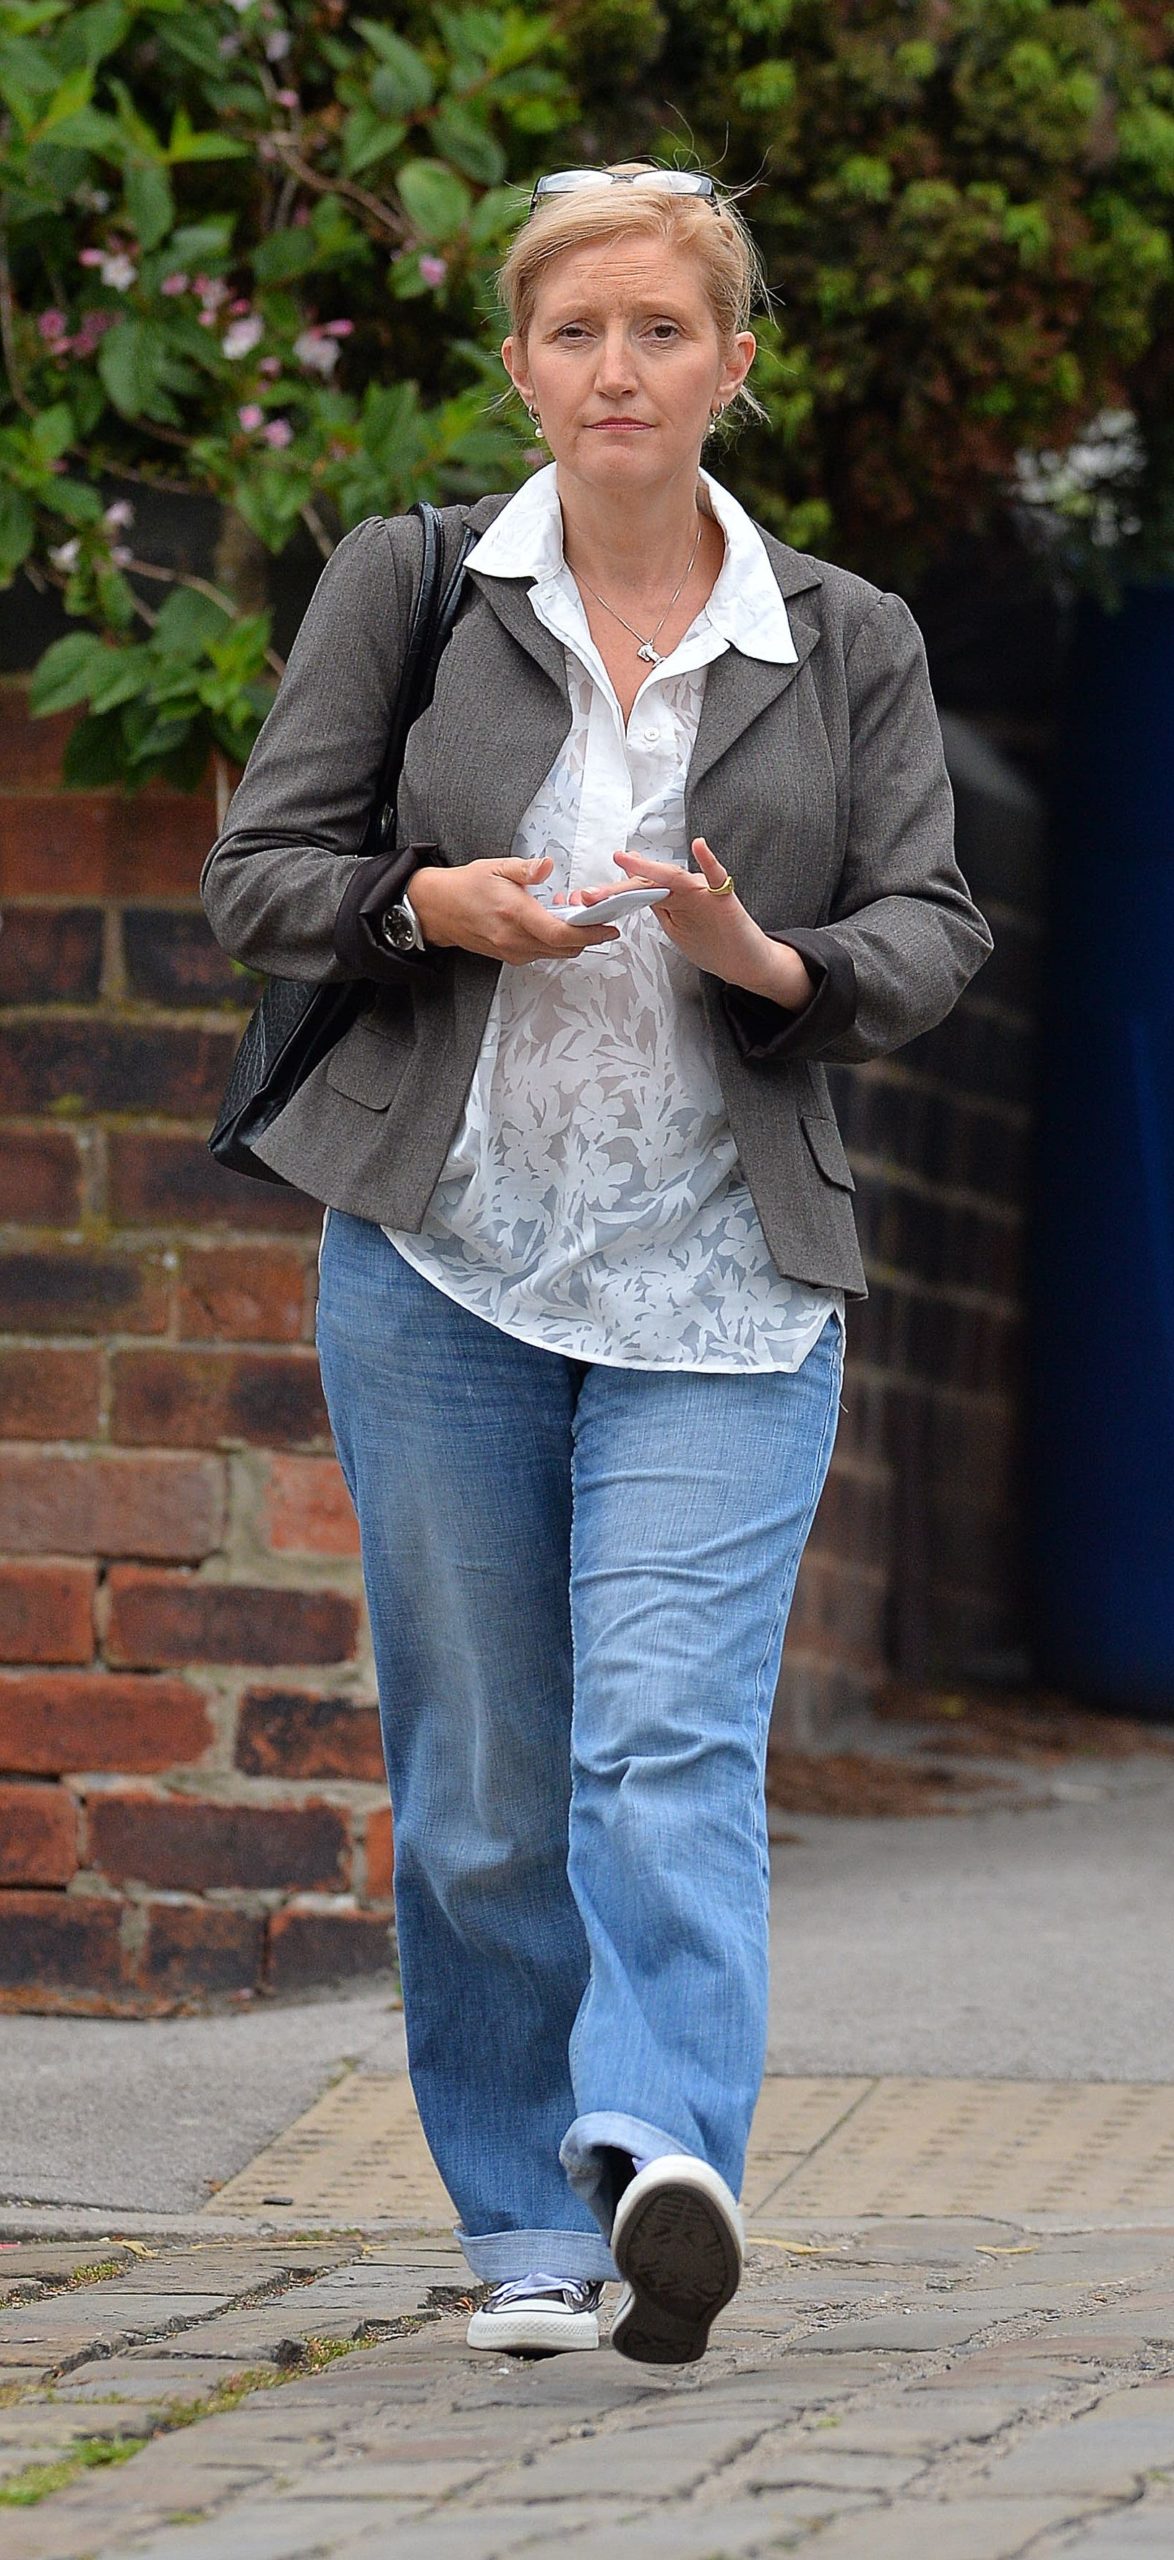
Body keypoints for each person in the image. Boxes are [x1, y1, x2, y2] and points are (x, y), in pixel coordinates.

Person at [202, 161, 993, 2365]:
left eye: (662, 330)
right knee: (479, 1778)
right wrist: (434, 901)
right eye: (576, 332)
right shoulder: (419, 581)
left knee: (666, 1741)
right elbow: (259, 871)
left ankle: (655, 2152)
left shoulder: (838, 637)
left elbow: (931, 923)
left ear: (733, 362)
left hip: (725, 1278)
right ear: (523, 364)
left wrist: (773, 955)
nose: (617, 369)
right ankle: (517, 2225)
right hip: (443, 1257)